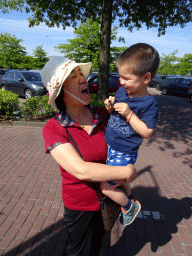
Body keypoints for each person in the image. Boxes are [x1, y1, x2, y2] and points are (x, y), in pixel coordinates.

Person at [41, 56, 137, 256]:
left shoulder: (104, 115)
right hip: (80, 207)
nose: (83, 79)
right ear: (61, 92)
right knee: (77, 252)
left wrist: (124, 108)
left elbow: (128, 139)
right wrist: (125, 172)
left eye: (81, 73)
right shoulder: (54, 128)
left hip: (109, 199)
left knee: (101, 250)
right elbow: (80, 170)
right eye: (73, 76)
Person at [100, 43, 160, 226]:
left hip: (124, 152)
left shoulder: (149, 104)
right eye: (120, 77)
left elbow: (147, 132)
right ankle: (129, 195)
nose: (121, 82)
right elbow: (114, 115)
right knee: (116, 179)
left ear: (146, 78)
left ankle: (129, 206)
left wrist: (130, 114)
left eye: (126, 78)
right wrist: (110, 107)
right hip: (109, 144)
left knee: (106, 187)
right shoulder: (121, 91)